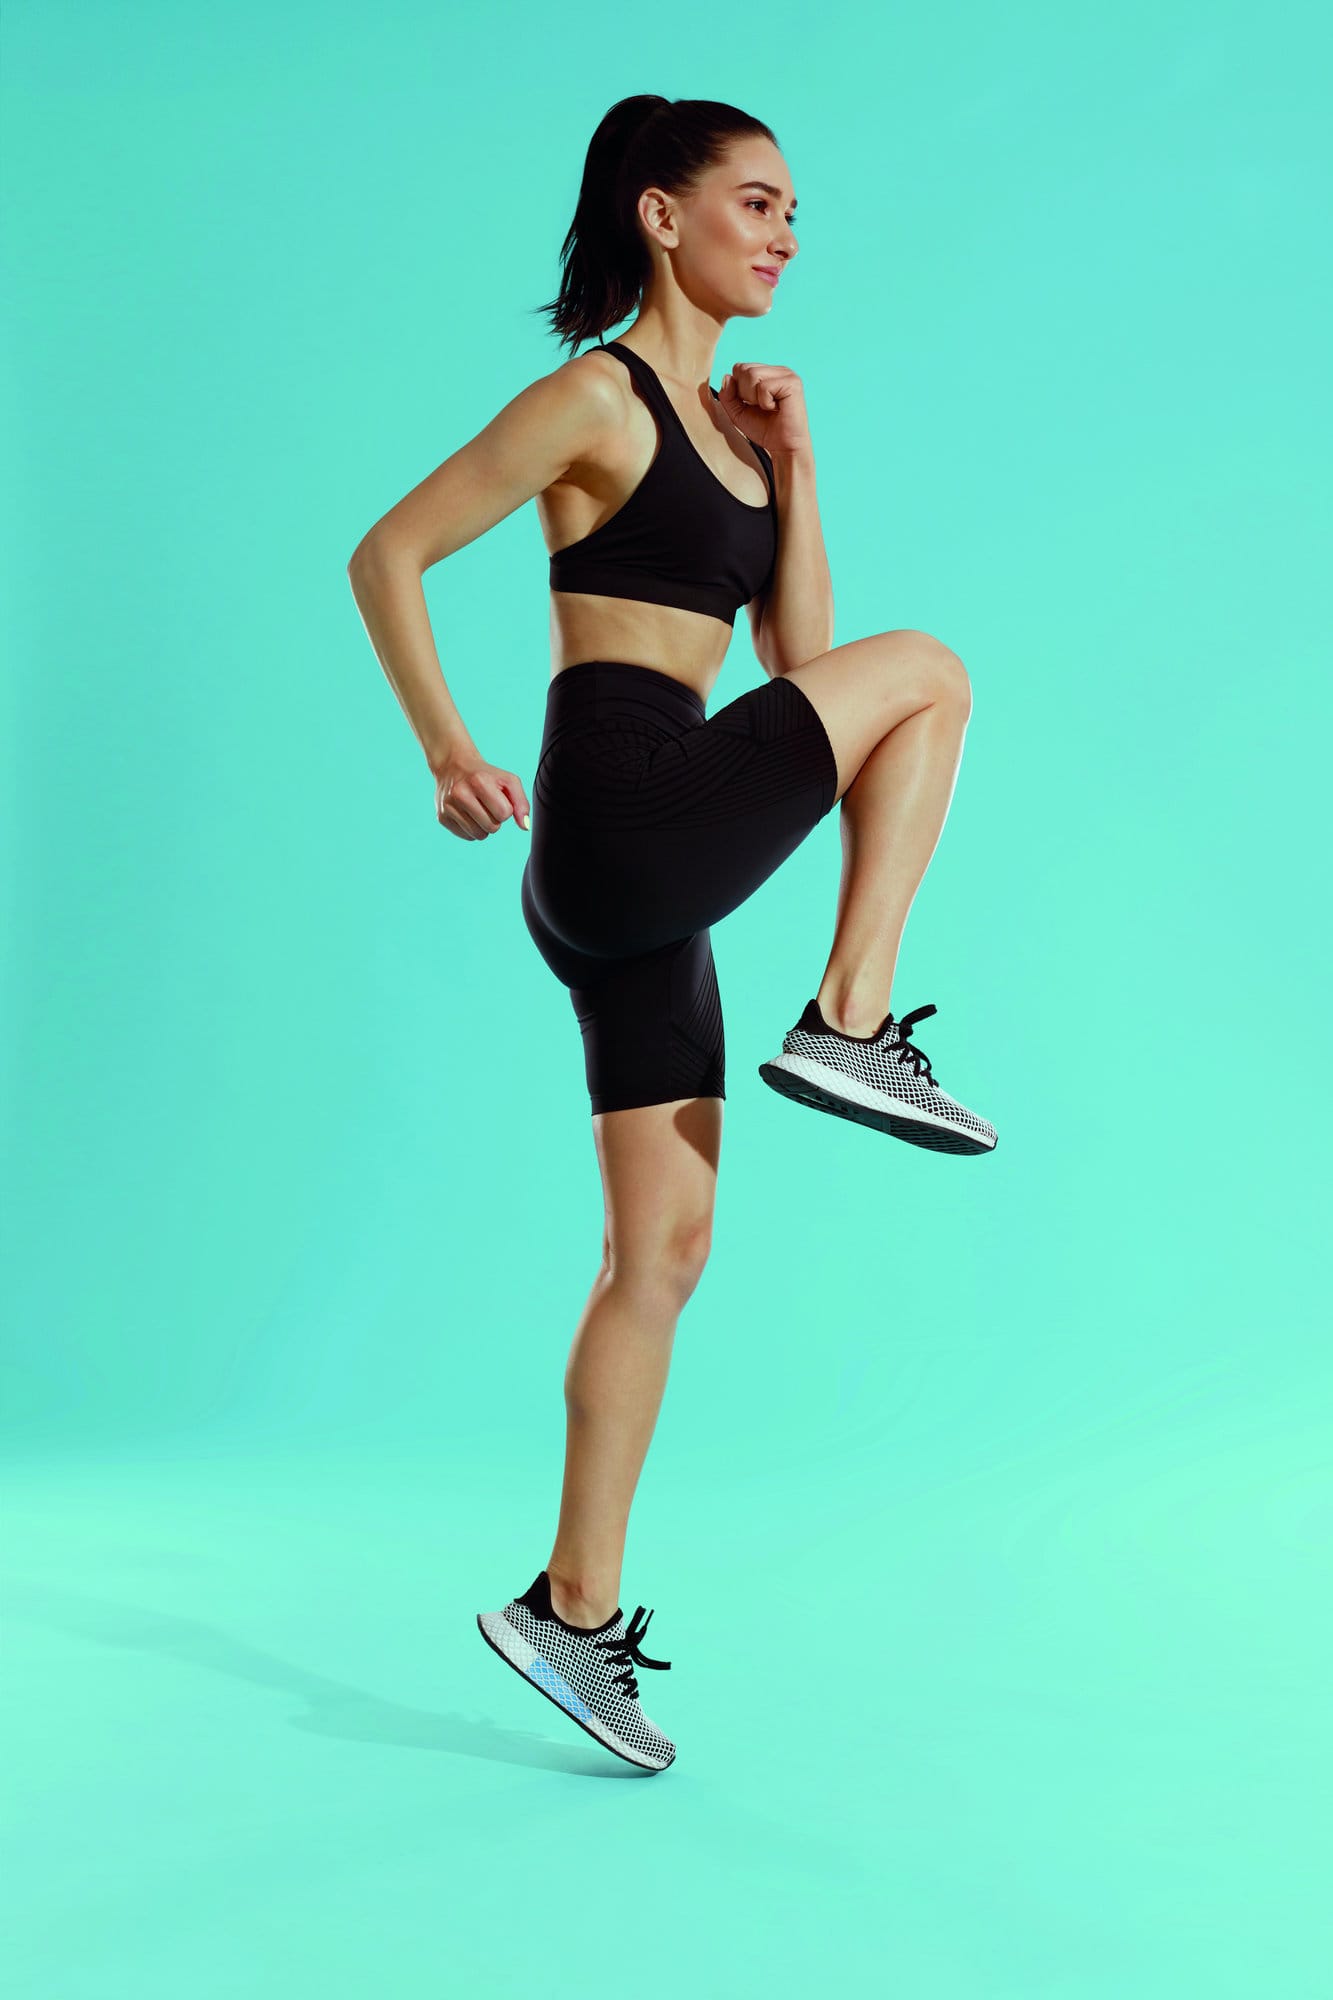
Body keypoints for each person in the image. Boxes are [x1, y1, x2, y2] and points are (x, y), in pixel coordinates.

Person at [346, 94, 996, 1774]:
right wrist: (444, 748)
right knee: (932, 671)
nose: (784, 234)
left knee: (664, 1255)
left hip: (644, 857)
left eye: (795, 214)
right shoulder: (597, 397)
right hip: (623, 807)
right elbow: (389, 551)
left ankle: (570, 1614)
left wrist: (793, 460)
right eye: (758, 203)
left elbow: (795, 661)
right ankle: (848, 1013)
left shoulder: (724, 419)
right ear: (659, 213)